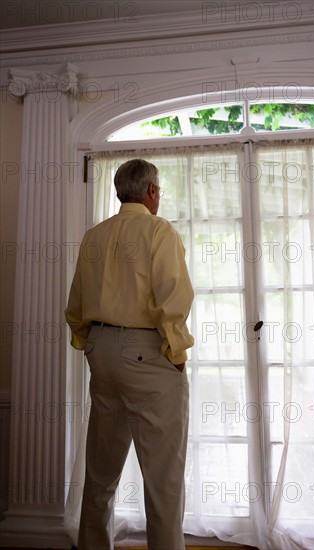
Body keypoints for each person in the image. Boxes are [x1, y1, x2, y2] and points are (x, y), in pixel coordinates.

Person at [65, 159, 194, 550]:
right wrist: (176, 350)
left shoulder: (94, 235)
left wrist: (88, 342)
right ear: (152, 192)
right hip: (146, 352)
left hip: (101, 351)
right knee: (163, 477)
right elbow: (173, 295)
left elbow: (75, 304)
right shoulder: (159, 230)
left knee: (101, 471)